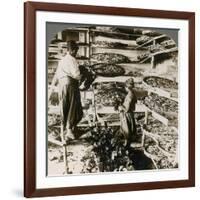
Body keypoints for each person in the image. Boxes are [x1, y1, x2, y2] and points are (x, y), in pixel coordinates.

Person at [49, 40, 83, 140]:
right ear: (72, 50)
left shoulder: (62, 60)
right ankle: (69, 131)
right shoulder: (72, 59)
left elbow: (56, 75)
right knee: (74, 107)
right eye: (76, 51)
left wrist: (52, 87)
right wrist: (83, 76)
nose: (76, 53)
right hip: (71, 85)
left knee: (65, 107)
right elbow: (76, 75)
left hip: (62, 85)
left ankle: (68, 129)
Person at [117, 78, 138, 147]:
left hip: (127, 114)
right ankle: (127, 138)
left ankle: (127, 143)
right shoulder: (132, 93)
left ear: (127, 87)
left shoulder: (129, 96)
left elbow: (126, 108)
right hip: (130, 113)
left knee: (127, 128)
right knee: (129, 127)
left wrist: (120, 107)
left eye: (125, 87)